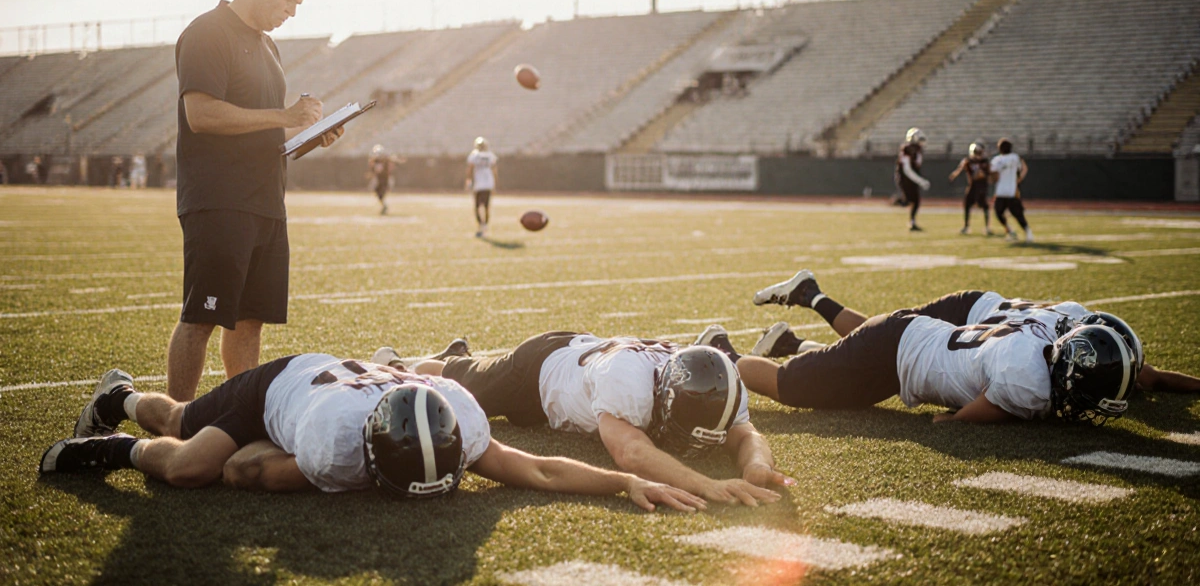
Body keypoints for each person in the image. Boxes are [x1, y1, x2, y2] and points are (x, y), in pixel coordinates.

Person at [39, 354, 704, 513]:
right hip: (281, 388)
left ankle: (125, 404)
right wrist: (258, 449)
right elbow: (254, 471)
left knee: (204, 446)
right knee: (189, 450)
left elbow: (540, 469)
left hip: (342, 393)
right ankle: (119, 412)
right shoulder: (331, 446)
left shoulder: (462, 421)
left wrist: (624, 481)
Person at [168, 0, 345, 401]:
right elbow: (201, 114)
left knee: (250, 320)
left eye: (297, 6)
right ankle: (174, 431)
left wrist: (309, 134)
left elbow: (265, 126)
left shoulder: (270, 46)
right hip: (220, 199)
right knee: (202, 317)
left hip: (267, 200)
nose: (290, 12)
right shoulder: (207, 31)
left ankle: (234, 424)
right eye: (287, 0)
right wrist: (285, 116)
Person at [407, 332, 791, 507]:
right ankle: (402, 366)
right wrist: (705, 484)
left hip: (584, 357)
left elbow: (746, 434)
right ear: (664, 395)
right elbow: (631, 453)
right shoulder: (627, 381)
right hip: (539, 370)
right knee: (447, 384)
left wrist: (755, 466)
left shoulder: (724, 383)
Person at [737, 269, 1147, 424]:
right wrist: (952, 417)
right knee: (787, 387)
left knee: (850, 359)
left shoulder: (1054, 333)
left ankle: (793, 337)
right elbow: (953, 421)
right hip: (901, 351)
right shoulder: (1029, 381)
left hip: (910, 340)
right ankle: (723, 356)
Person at [990, 138, 1032, 242]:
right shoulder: (1015, 158)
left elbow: (993, 176)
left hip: (1005, 191)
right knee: (1011, 213)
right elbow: (1024, 168)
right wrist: (1019, 179)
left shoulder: (997, 160)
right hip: (1008, 191)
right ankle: (1021, 232)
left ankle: (1018, 231)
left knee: (1004, 213)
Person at [948, 142, 992, 235]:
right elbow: (960, 168)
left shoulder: (985, 162)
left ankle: (987, 227)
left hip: (982, 186)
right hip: (972, 186)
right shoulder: (968, 161)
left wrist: (982, 174)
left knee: (984, 205)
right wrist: (954, 175)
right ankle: (966, 226)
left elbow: (988, 174)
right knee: (967, 204)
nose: (977, 154)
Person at [896, 127, 931, 232]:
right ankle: (896, 202)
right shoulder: (908, 149)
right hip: (906, 178)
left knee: (915, 201)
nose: (921, 143)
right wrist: (920, 181)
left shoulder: (917, 150)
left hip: (912, 177)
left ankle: (912, 222)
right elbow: (907, 169)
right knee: (909, 200)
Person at [466, 137, 498, 237]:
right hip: (488, 183)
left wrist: (468, 181)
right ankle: (485, 225)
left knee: (477, 206)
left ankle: (481, 225)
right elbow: (494, 171)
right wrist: (495, 184)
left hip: (479, 184)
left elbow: (470, 169)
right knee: (486, 206)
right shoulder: (490, 156)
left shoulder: (474, 156)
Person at [366, 144, 403, 215]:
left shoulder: (386, 160)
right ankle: (384, 206)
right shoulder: (374, 161)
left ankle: (384, 206)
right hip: (379, 179)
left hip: (385, 179)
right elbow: (374, 170)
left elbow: (391, 165)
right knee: (377, 193)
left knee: (382, 192)